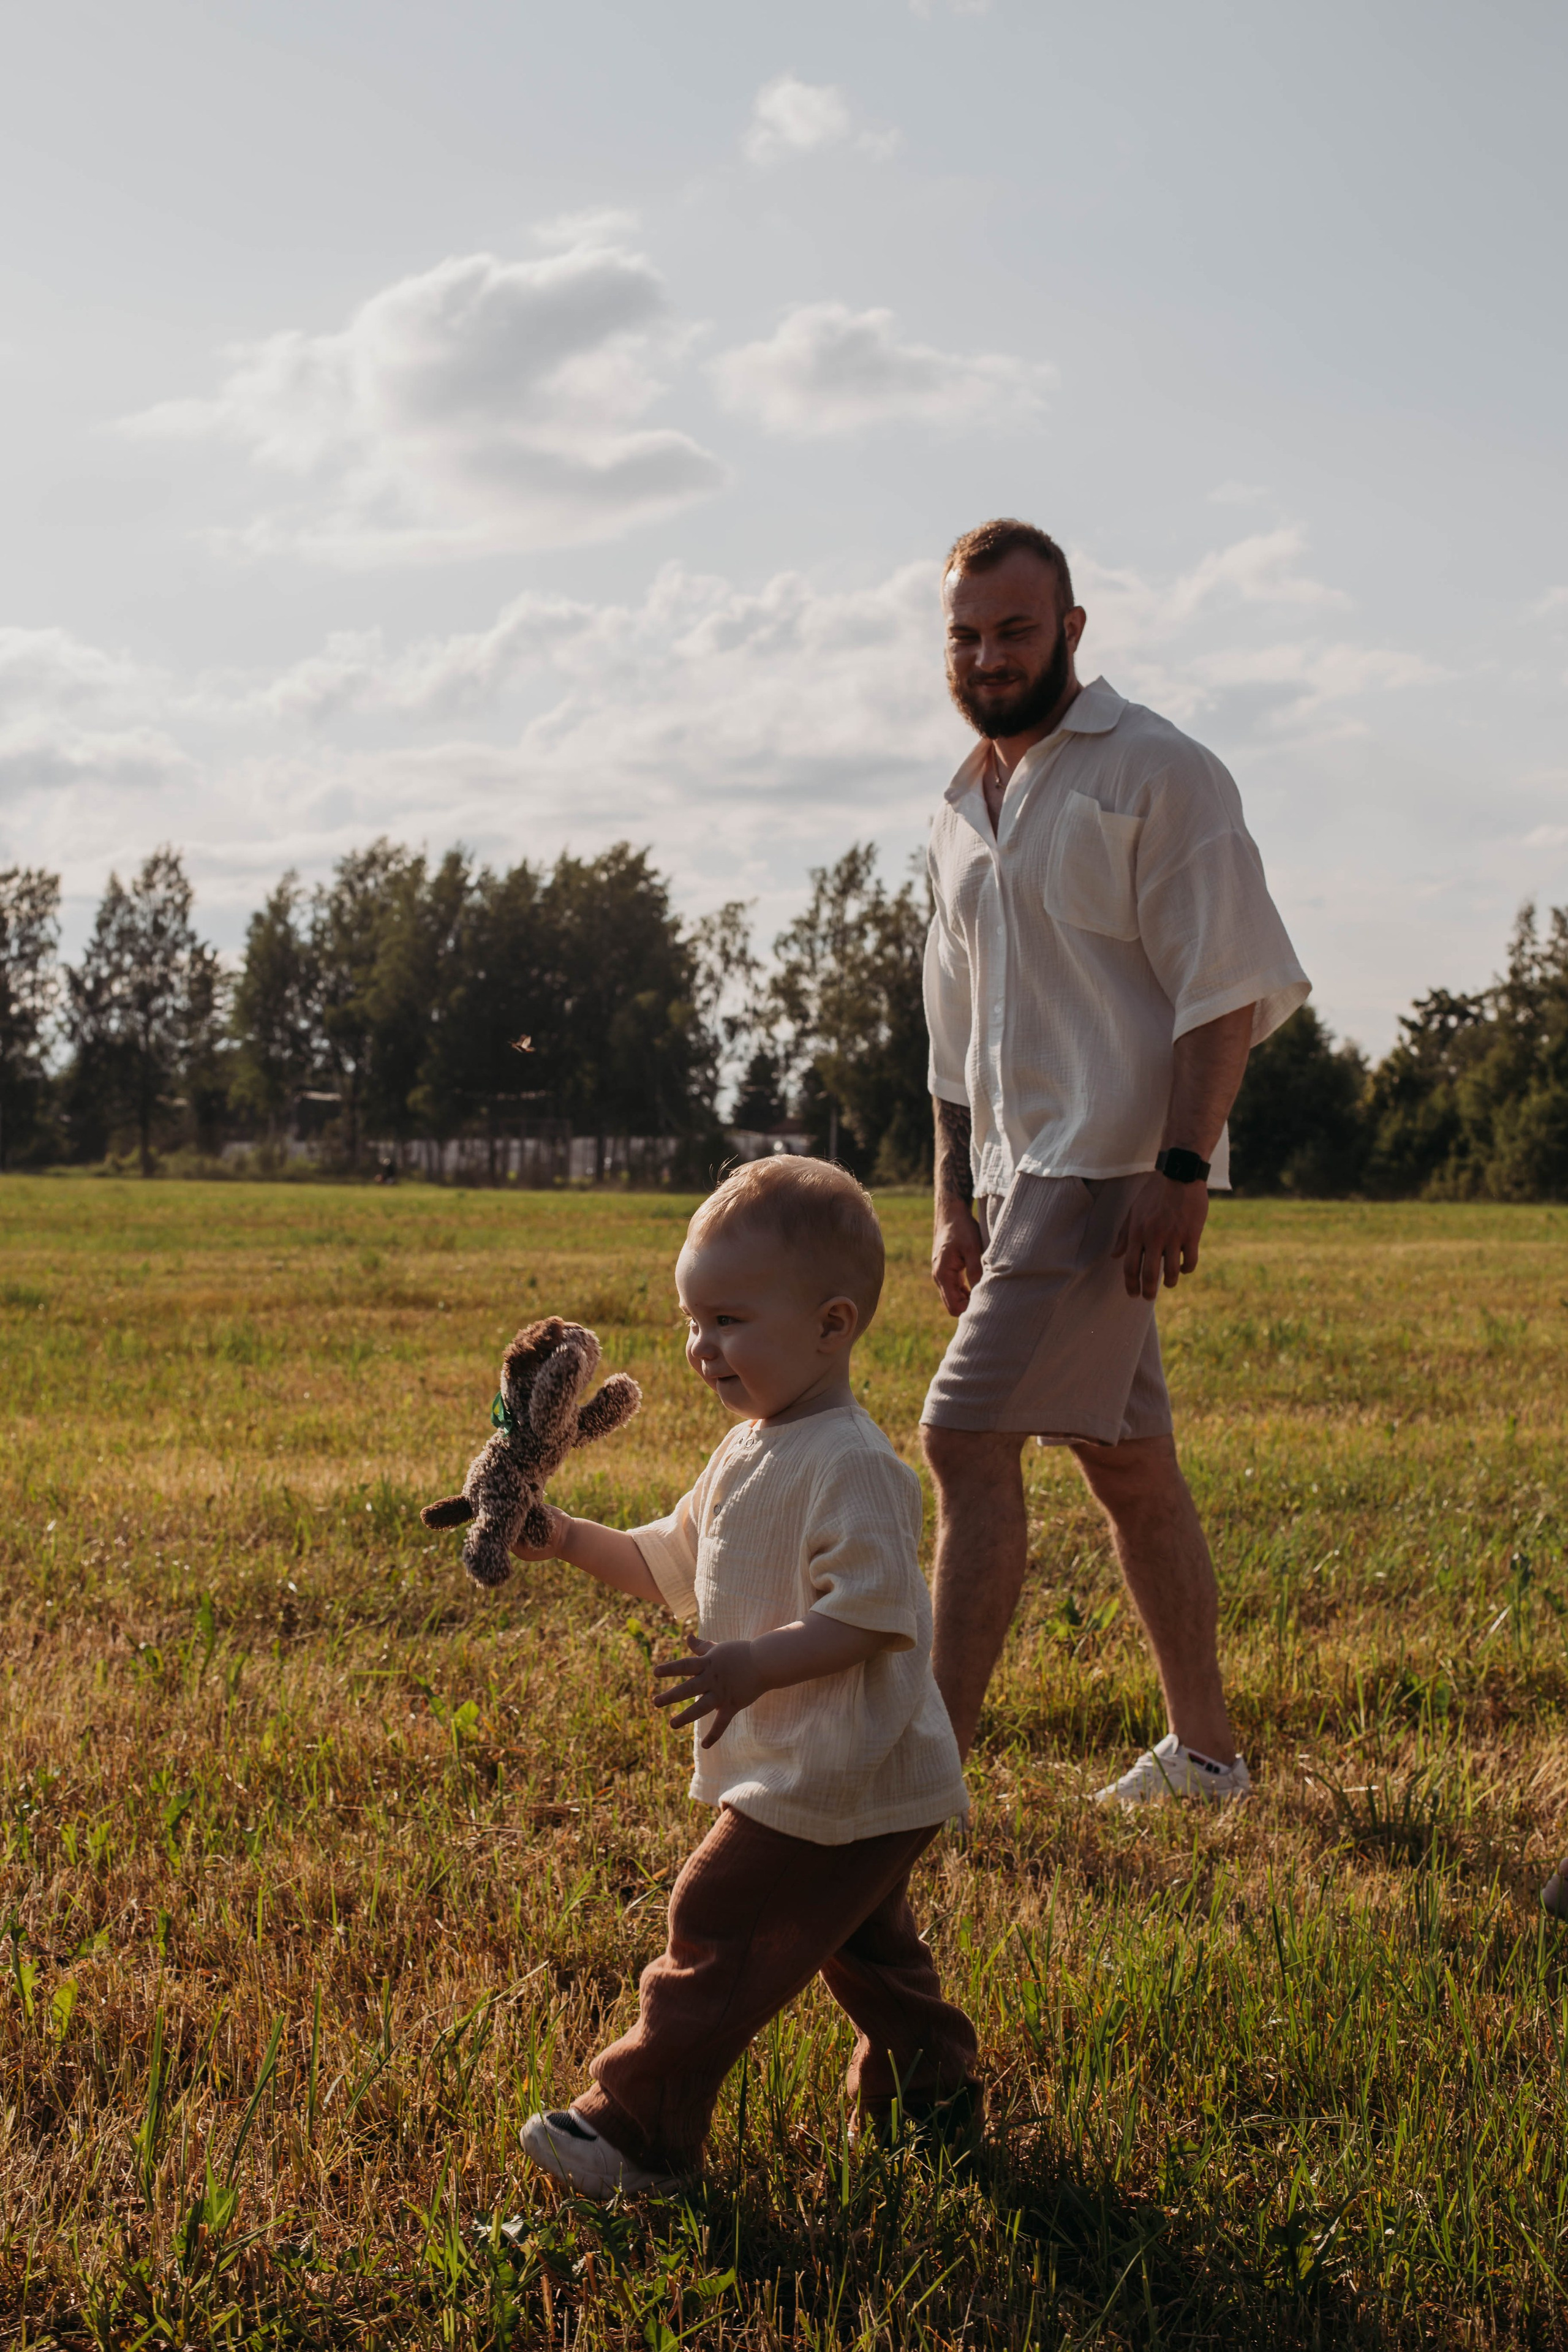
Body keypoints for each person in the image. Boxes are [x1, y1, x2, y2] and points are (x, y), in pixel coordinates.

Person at [921, 517, 1310, 1807]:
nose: (987, 656)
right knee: (1131, 1469)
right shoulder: (959, 808)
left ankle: (916, 1786)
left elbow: (1223, 985)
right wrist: (949, 1198)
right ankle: (1205, 1758)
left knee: (961, 1442)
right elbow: (951, 1031)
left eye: (1013, 630)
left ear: (1071, 631)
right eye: (965, 636)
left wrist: (1183, 1163)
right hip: (1014, 1181)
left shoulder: (1158, 774)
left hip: (1104, 1178)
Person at [510, 1156, 977, 2198]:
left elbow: (871, 1616)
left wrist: (750, 1665)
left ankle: (640, 2131)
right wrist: (568, 1535)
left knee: (719, 1920)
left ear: (832, 1324)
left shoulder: (853, 1465)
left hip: (840, 1769)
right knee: (864, 1949)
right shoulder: (745, 1452)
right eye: (692, 1319)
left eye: (728, 1320)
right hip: (826, 1771)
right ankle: (932, 2099)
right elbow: (668, 1563)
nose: (700, 1346)